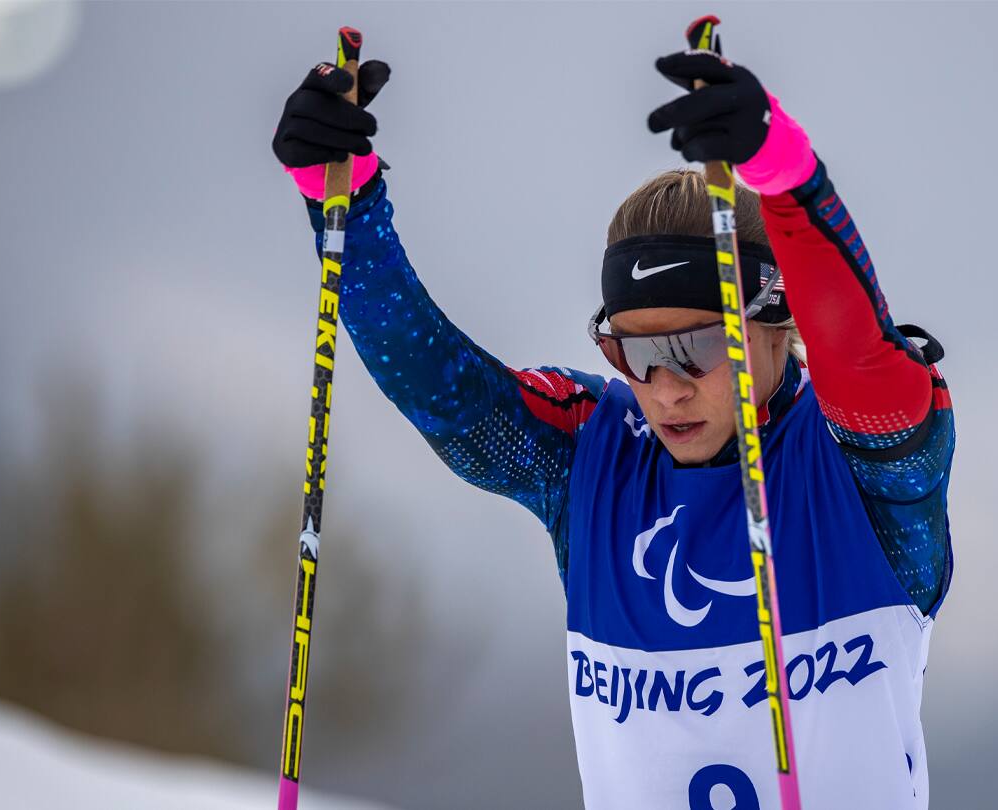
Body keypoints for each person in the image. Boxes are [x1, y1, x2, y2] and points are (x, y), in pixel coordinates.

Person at [273, 42, 956, 810]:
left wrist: (784, 172)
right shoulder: (594, 451)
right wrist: (347, 203)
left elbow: (858, 352)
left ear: (774, 321)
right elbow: (446, 392)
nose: (665, 389)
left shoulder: (863, 464)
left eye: (698, 348)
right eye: (634, 353)